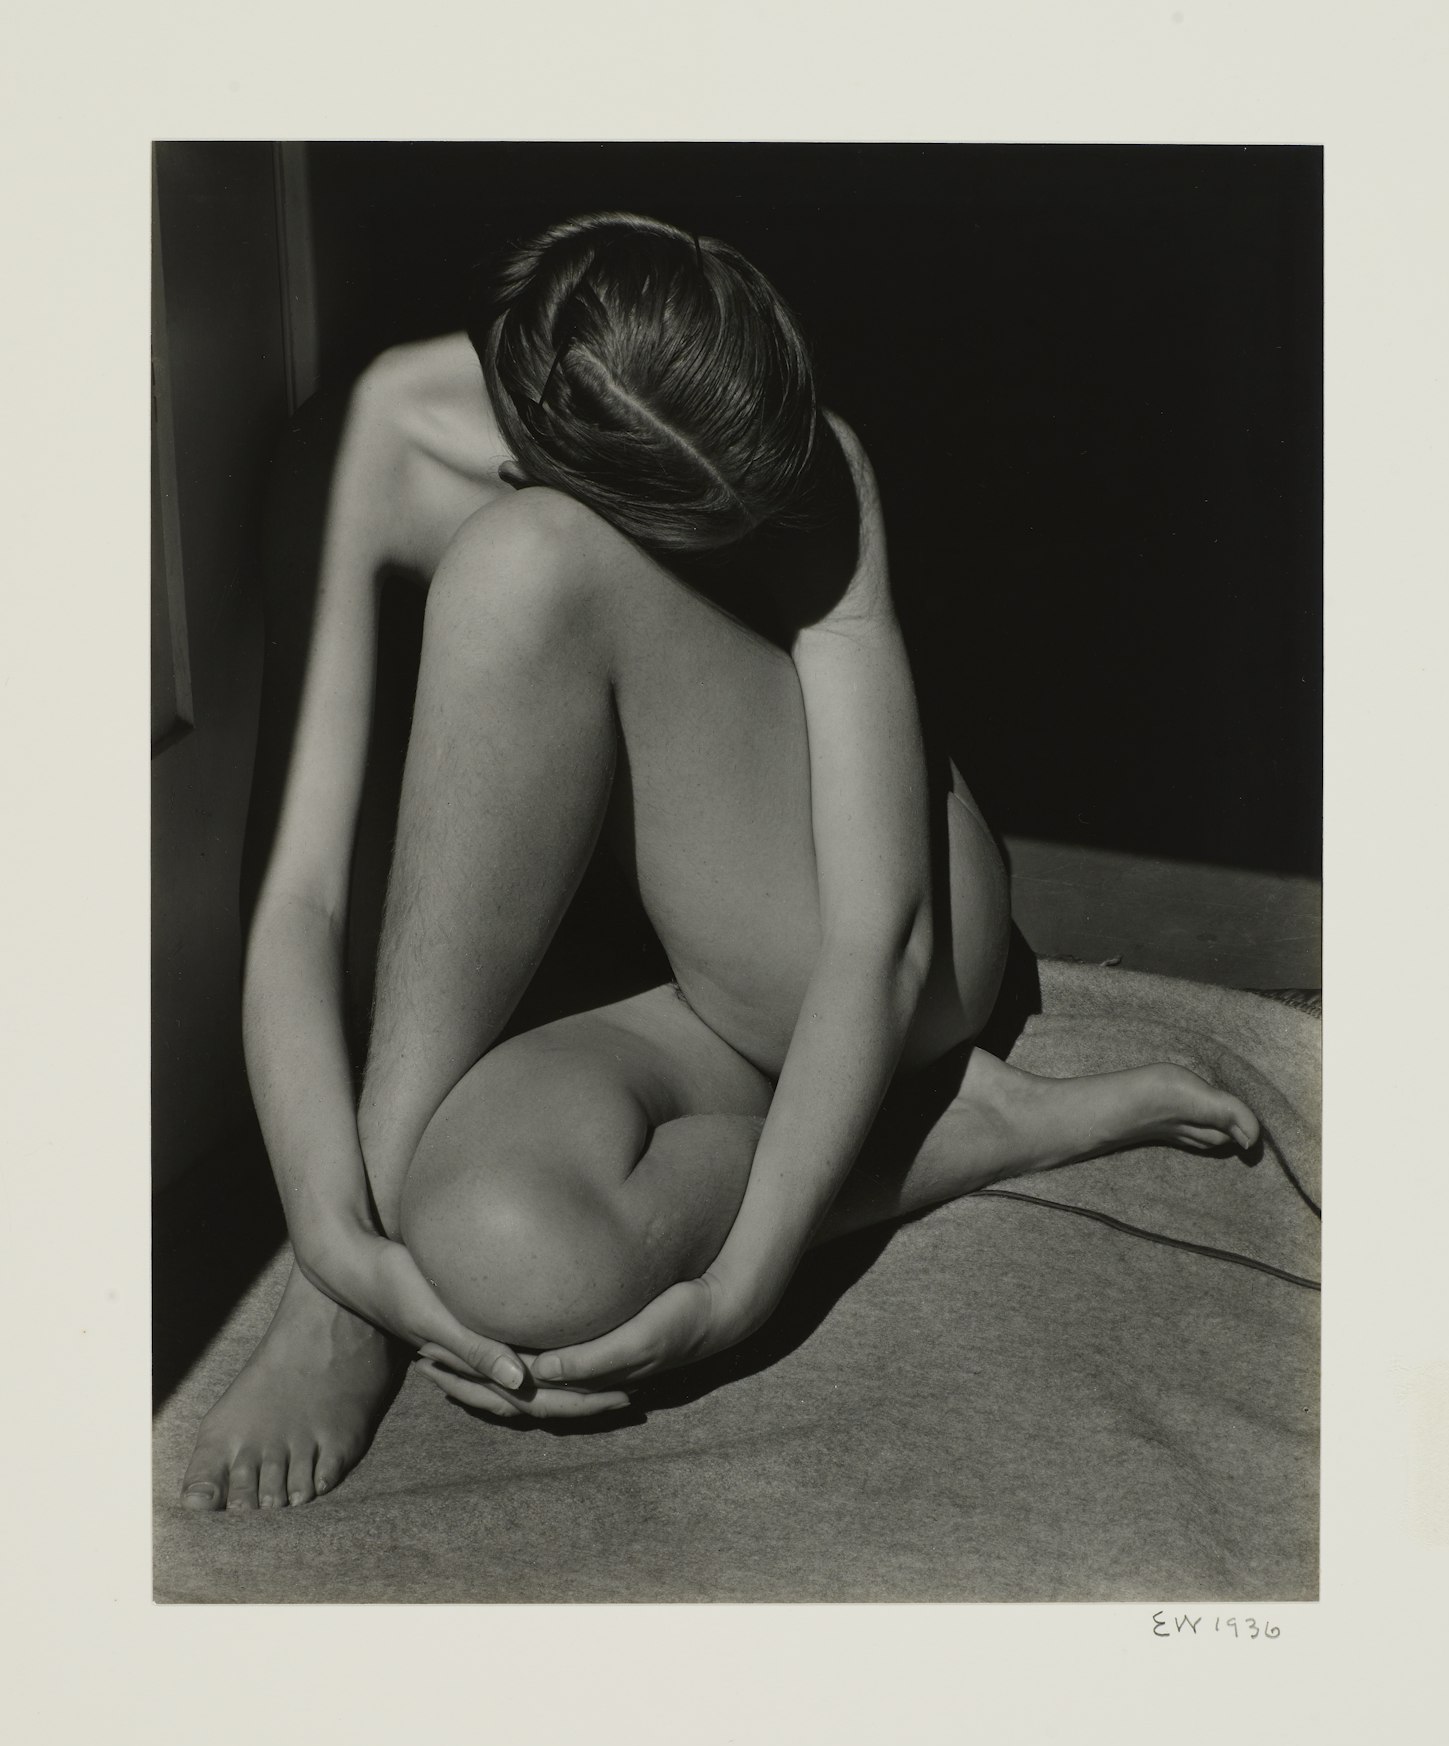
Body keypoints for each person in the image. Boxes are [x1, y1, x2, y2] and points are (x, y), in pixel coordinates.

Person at [180, 212, 1260, 1512]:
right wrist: (334, 1239)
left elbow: (879, 939)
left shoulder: (789, 453)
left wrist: (741, 1288)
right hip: (676, 985)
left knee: (523, 571)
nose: (748, 546)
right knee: (508, 1249)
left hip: (864, 941)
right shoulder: (362, 449)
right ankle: (951, 1134)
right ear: (530, 462)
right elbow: (298, 901)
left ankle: (904, 1131)